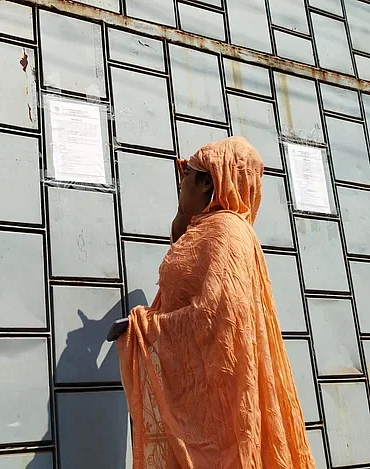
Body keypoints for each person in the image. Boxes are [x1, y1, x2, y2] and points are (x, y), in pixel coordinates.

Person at [115, 137, 315, 468]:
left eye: (186, 172)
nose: (180, 181)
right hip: (200, 392)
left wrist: (143, 326)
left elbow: (214, 317)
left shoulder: (226, 232)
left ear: (209, 180)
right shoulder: (207, 228)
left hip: (217, 397)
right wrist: (181, 217)